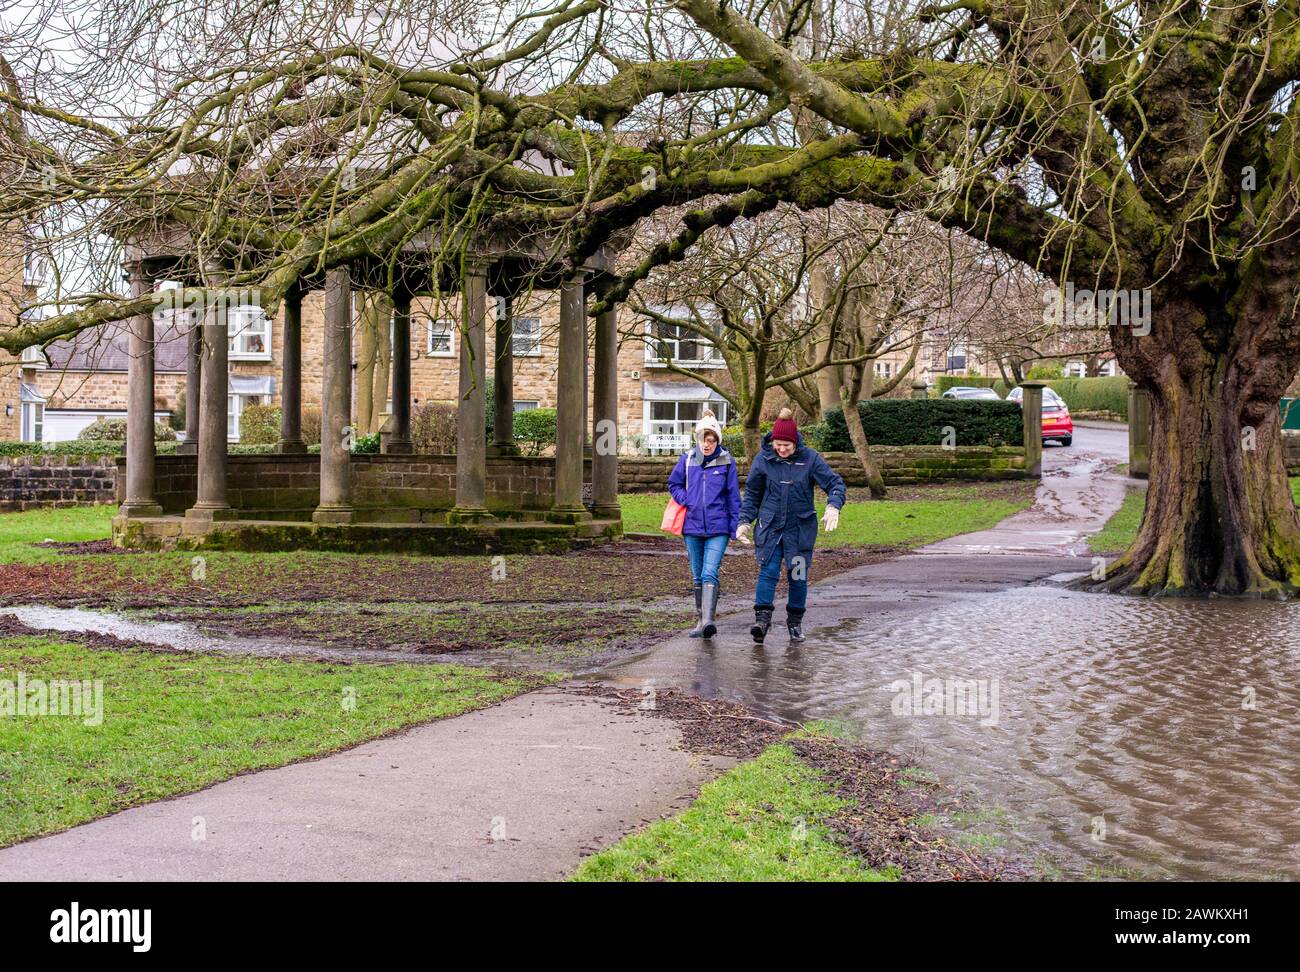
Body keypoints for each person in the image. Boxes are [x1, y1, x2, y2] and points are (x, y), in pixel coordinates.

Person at [736, 407, 846, 644]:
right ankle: (761, 621)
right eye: (778, 444)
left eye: (787, 445)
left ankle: (794, 623)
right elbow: (753, 495)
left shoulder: (810, 459)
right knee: (768, 572)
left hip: (799, 530)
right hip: (771, 528)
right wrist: (744, 521)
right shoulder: (763, 460)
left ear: (795, 442)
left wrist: (833, 505)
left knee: (797, 576)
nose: (782, 449)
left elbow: (835, 483)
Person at [667, 410, 741, 639]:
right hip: (692, 527)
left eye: (711, 440)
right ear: (697, 439)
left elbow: (733, 496)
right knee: (697, 575)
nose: (706, 444)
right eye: (703, 439)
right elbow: (674, 484)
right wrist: (687, 499)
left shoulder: (727, 462)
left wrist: (736, 526)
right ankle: (701, 621)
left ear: (717, 441)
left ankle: (709, 620)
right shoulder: (687, 459)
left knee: (710, 572)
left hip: (718, 527)